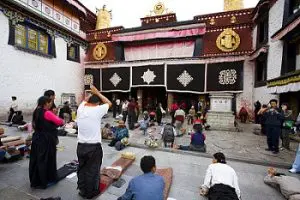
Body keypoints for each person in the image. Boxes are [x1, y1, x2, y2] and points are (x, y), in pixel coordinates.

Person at [76, 85, 112, 199]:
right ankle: (90, 193)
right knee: (93, 171)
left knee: (82, 169)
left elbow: (85, 100)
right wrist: (98, 93)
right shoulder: (97, 109)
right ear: (97, 104)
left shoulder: (80, 108)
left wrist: (92, 94)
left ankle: (82, 189)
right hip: (93, 147)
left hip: (80, 146)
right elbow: (109, 103)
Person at [29, 96, 64, 189]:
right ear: (46, 103)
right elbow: (60, 122)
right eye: (50, 103)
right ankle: (46, 180)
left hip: (37, 138)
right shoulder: (47, 113)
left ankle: (36, 180)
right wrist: (55, 115)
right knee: (46, 160)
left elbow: (34, 124)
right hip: (46, 139)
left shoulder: (36, 111)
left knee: (37, 159)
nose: (51, 104)